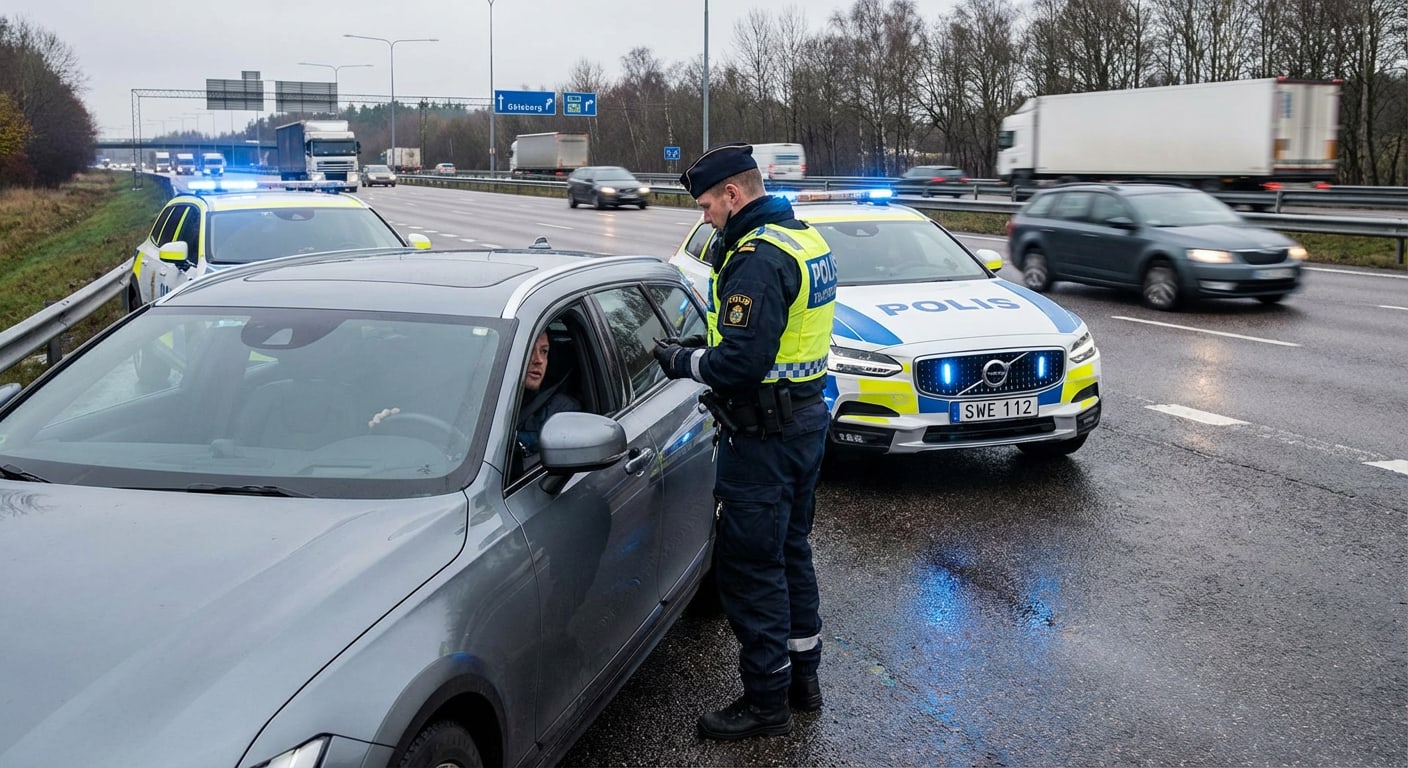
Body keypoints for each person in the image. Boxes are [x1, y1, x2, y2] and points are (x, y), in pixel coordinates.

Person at [652, 142, 838, 741]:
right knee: (790, 553)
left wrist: (682, 361)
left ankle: (765, 703)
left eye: (708, 205)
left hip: (763, 436)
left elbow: (739, 362)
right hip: (804, 422)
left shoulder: (757, 258)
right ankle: (802, 680)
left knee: (750, 569)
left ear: (734, 194)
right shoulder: (803, 238)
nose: (705, 218)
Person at [369, 330, 578, 465]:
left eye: (544, 351)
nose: (539, 360)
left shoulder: (560, 410)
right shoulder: (461, 398)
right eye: (529, 351)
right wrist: (389, 427)